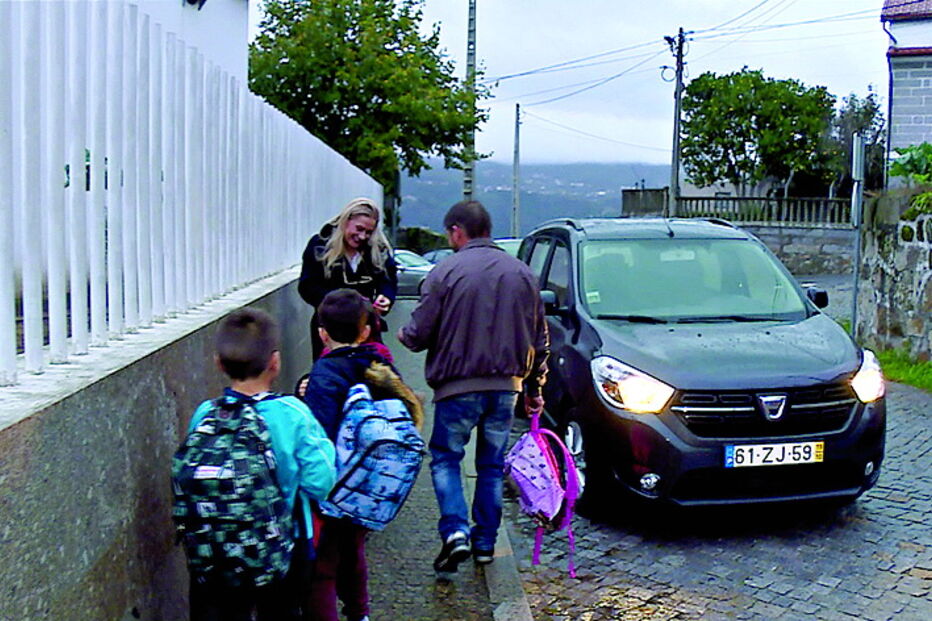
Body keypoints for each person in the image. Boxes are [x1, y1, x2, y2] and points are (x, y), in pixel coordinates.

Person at [397, 200, 549, 574]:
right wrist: (534, 389)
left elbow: (417, 335)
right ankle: (484, 544)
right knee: (491, 467)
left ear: (456, 231)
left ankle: (455, 533)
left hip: (457, 387)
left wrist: (400, 332)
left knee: (447, 458)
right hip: (506, 388)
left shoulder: (444, 271)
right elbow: (539, 338)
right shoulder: (523, 274)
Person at [183, 308, 337, 621]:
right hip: (283, 547)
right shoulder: (292, 413)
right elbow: (321, 481)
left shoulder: (205, 414)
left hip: (216, 550)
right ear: (275, 362)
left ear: (219, 363)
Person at [302, 289, 423, 621]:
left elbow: (320, 433)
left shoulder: (325, 373)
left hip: (336, 486)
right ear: (366, 330)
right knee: (354, 554)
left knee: (324, 566)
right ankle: (360, 613)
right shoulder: (380, 363)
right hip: (370, 484)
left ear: (322, 333)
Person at [298, 198, 398, 361]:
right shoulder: (319, 246)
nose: (362, 236)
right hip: (329, 328)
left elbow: (388, 281)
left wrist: (385, 297)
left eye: (368, 232)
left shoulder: (378, 250)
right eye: (359, 229)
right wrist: (341, 305)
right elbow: (307, 286)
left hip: (366, 327)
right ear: (345, 221)